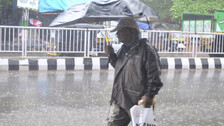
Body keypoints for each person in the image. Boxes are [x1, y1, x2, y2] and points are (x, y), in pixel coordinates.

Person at [105, 19, 163, 126]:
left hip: (139, 101)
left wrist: (149, 95)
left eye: (120, 31)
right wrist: (112, 55)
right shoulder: (124, 49)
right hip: (122, 98)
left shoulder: (147, 50)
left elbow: (155, 77)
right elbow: (120, 68)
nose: (117, 34)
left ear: (130, 31)